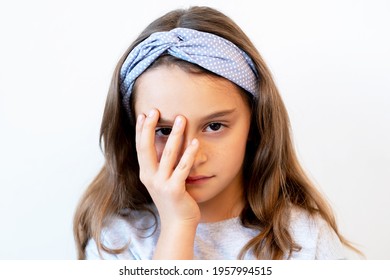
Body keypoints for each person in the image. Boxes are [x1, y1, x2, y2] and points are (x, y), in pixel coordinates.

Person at [73, 6, 360, 260]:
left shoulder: (306, 242)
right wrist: (177, 226)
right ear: (131, 131)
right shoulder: (114, 242)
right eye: (163, 130)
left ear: (255, 122)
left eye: (214, 126)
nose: (190, 157)